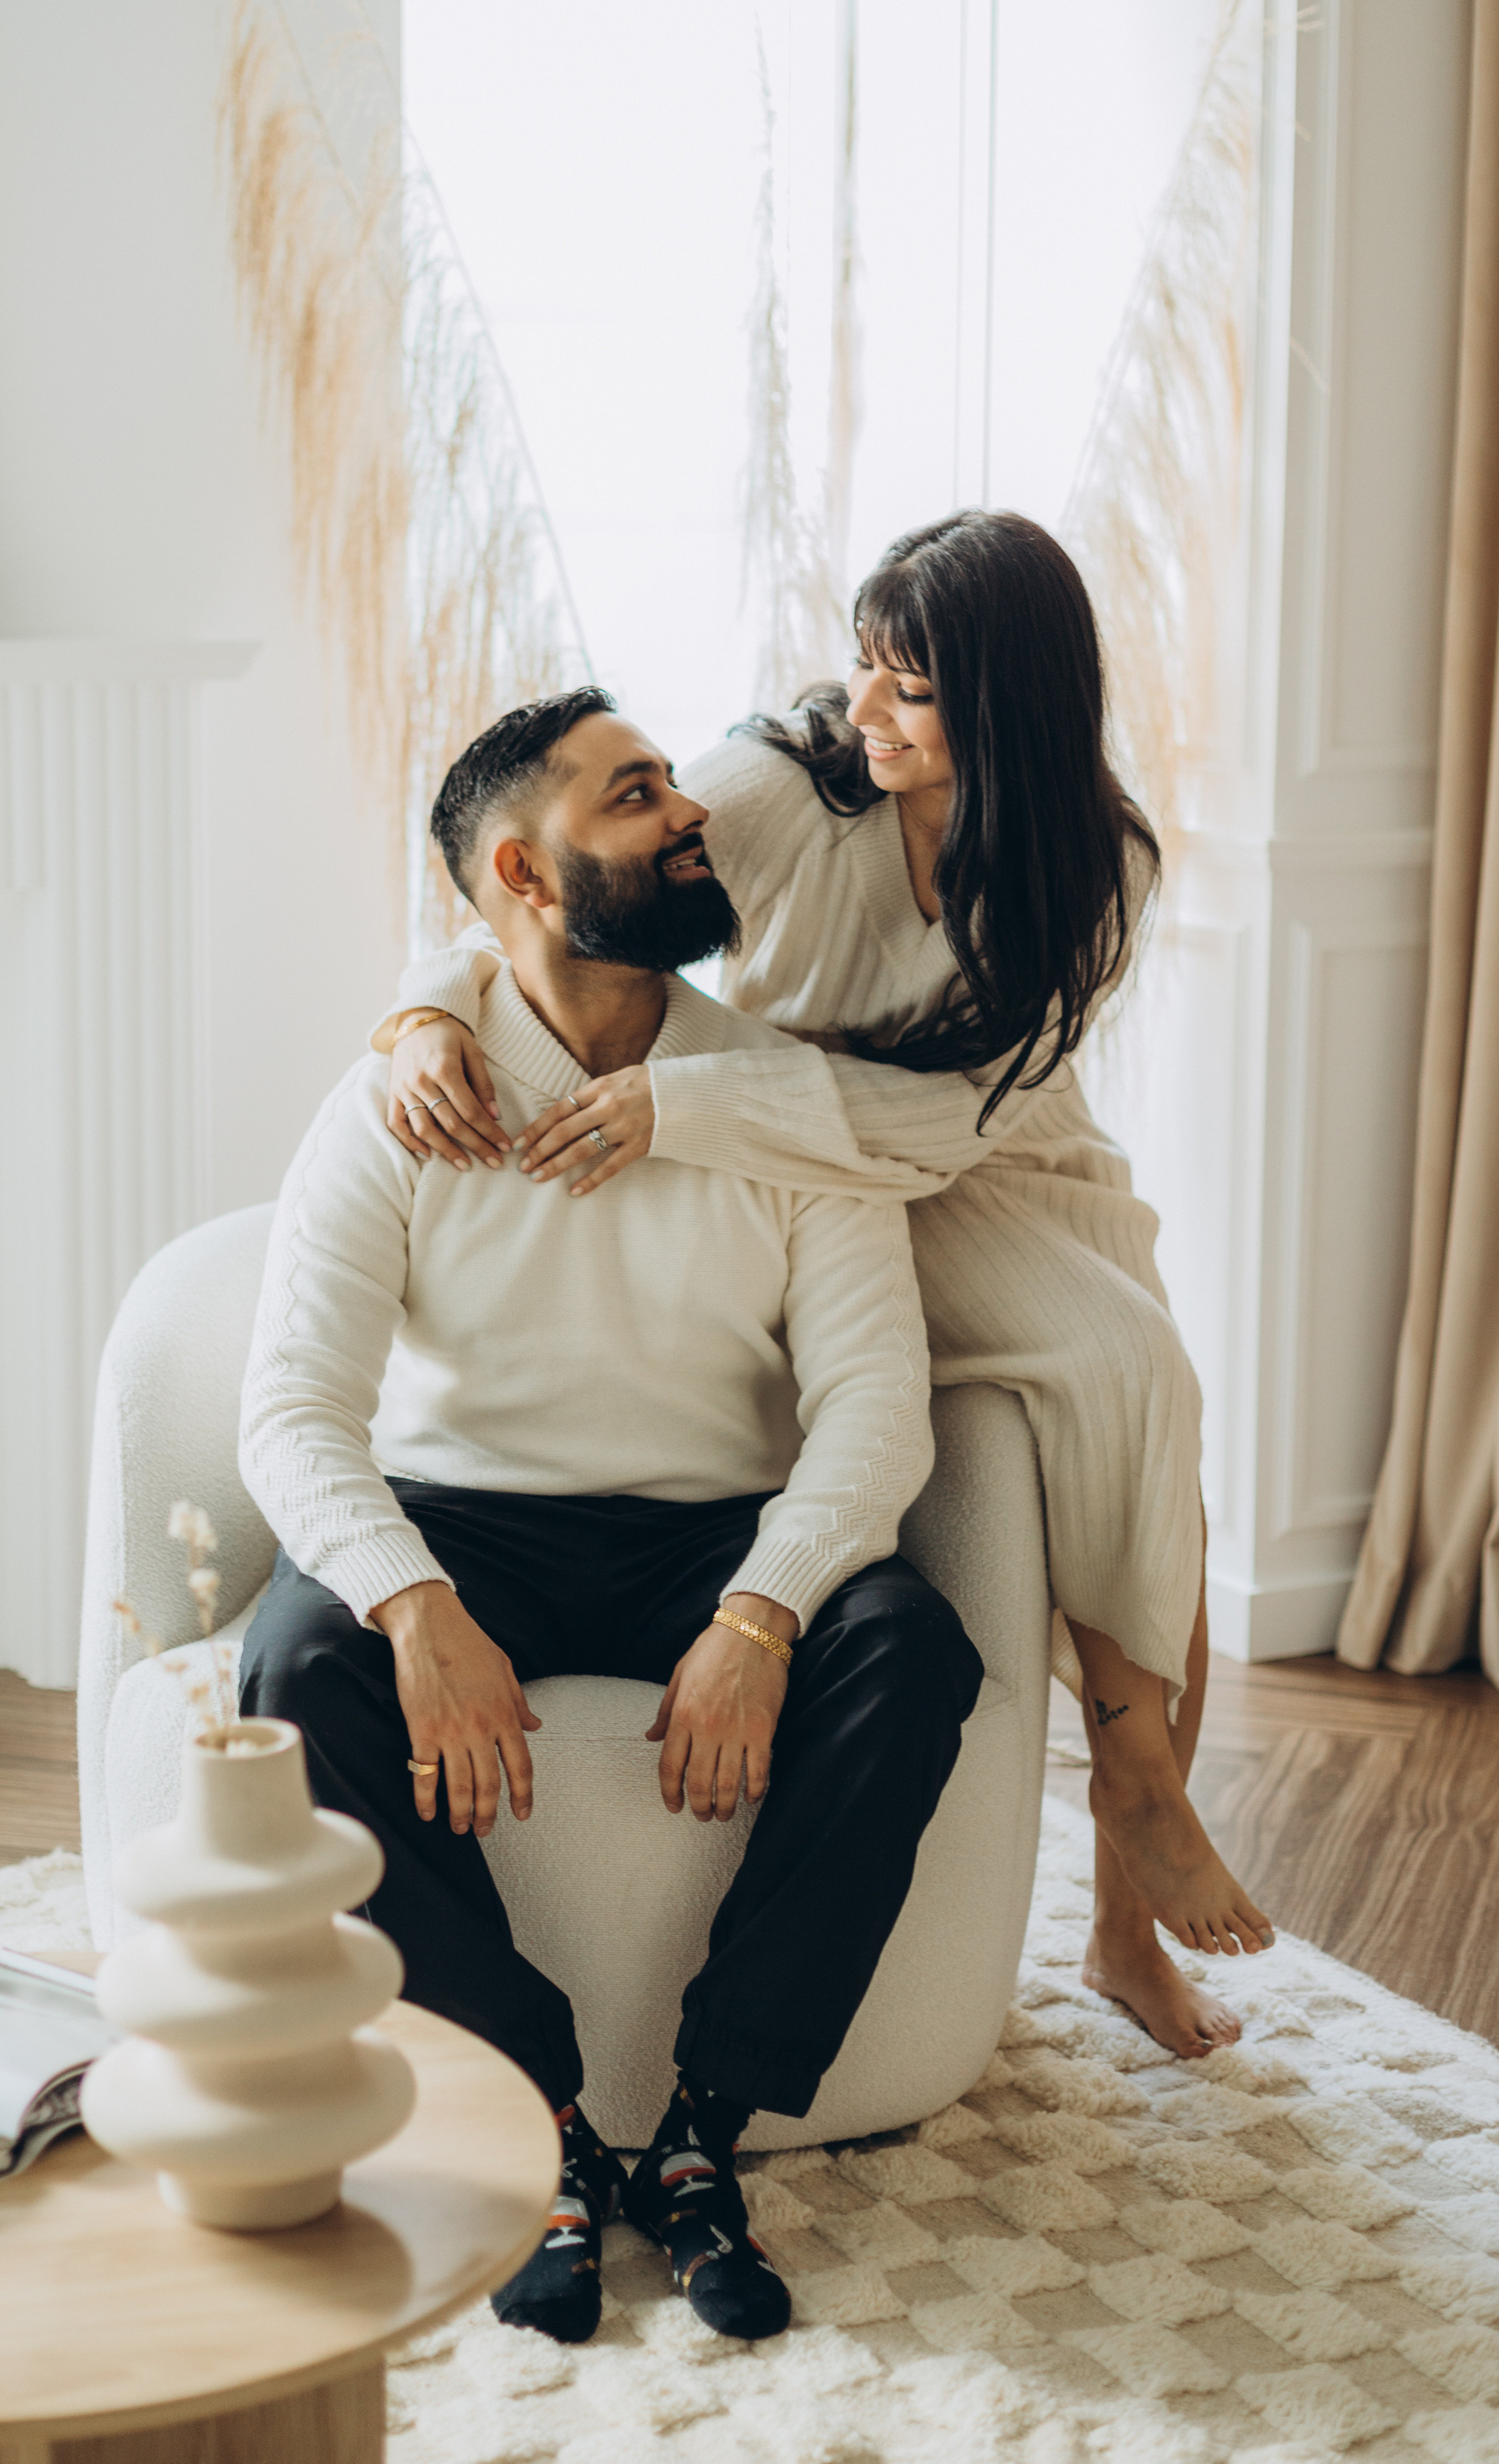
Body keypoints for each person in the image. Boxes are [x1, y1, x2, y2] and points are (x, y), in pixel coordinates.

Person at [379, 510, 1275, 2063]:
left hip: (993, 1159)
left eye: (905, 687)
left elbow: (965, 1119)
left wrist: (699, 1107)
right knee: (1127, 1375)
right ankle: (1137, 1790)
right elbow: (541, 884)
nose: (861, 708)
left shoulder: (1096, 857)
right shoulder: (789, 785)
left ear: (1003, 708)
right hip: (798, 1158)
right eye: (861, 664)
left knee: (1149, 1414)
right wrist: (416, 1015)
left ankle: (1125, 1893)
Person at [237, 686, 983, 2347]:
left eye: (670, 785)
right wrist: (411, 1608)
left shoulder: (777, 1095)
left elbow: (874, 1409)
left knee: (911, 1648)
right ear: (522, 868)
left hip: (710, 1532)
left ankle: (705, 2129)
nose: (689, 816)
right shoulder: (398, 1099)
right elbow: (288, 1409)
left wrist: (762, 1611)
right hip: (466, 1520)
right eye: (634, 797)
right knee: (293, 1675)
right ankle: (543, 2128)